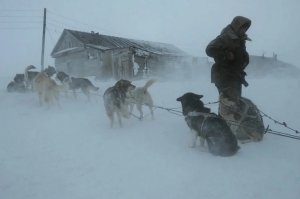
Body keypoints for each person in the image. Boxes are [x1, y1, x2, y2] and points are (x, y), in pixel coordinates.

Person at [206, 16, 252, 129]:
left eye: (246, 28)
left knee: (233, 101)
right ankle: (225, 129)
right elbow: (209, 49)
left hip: (235, 75)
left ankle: (227, 126)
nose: (244, 30)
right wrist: (225, 55)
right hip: (224, 75)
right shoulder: (225, 37)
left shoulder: (240, 39)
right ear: (237, 25)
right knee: (229, 102)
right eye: (243, 27)